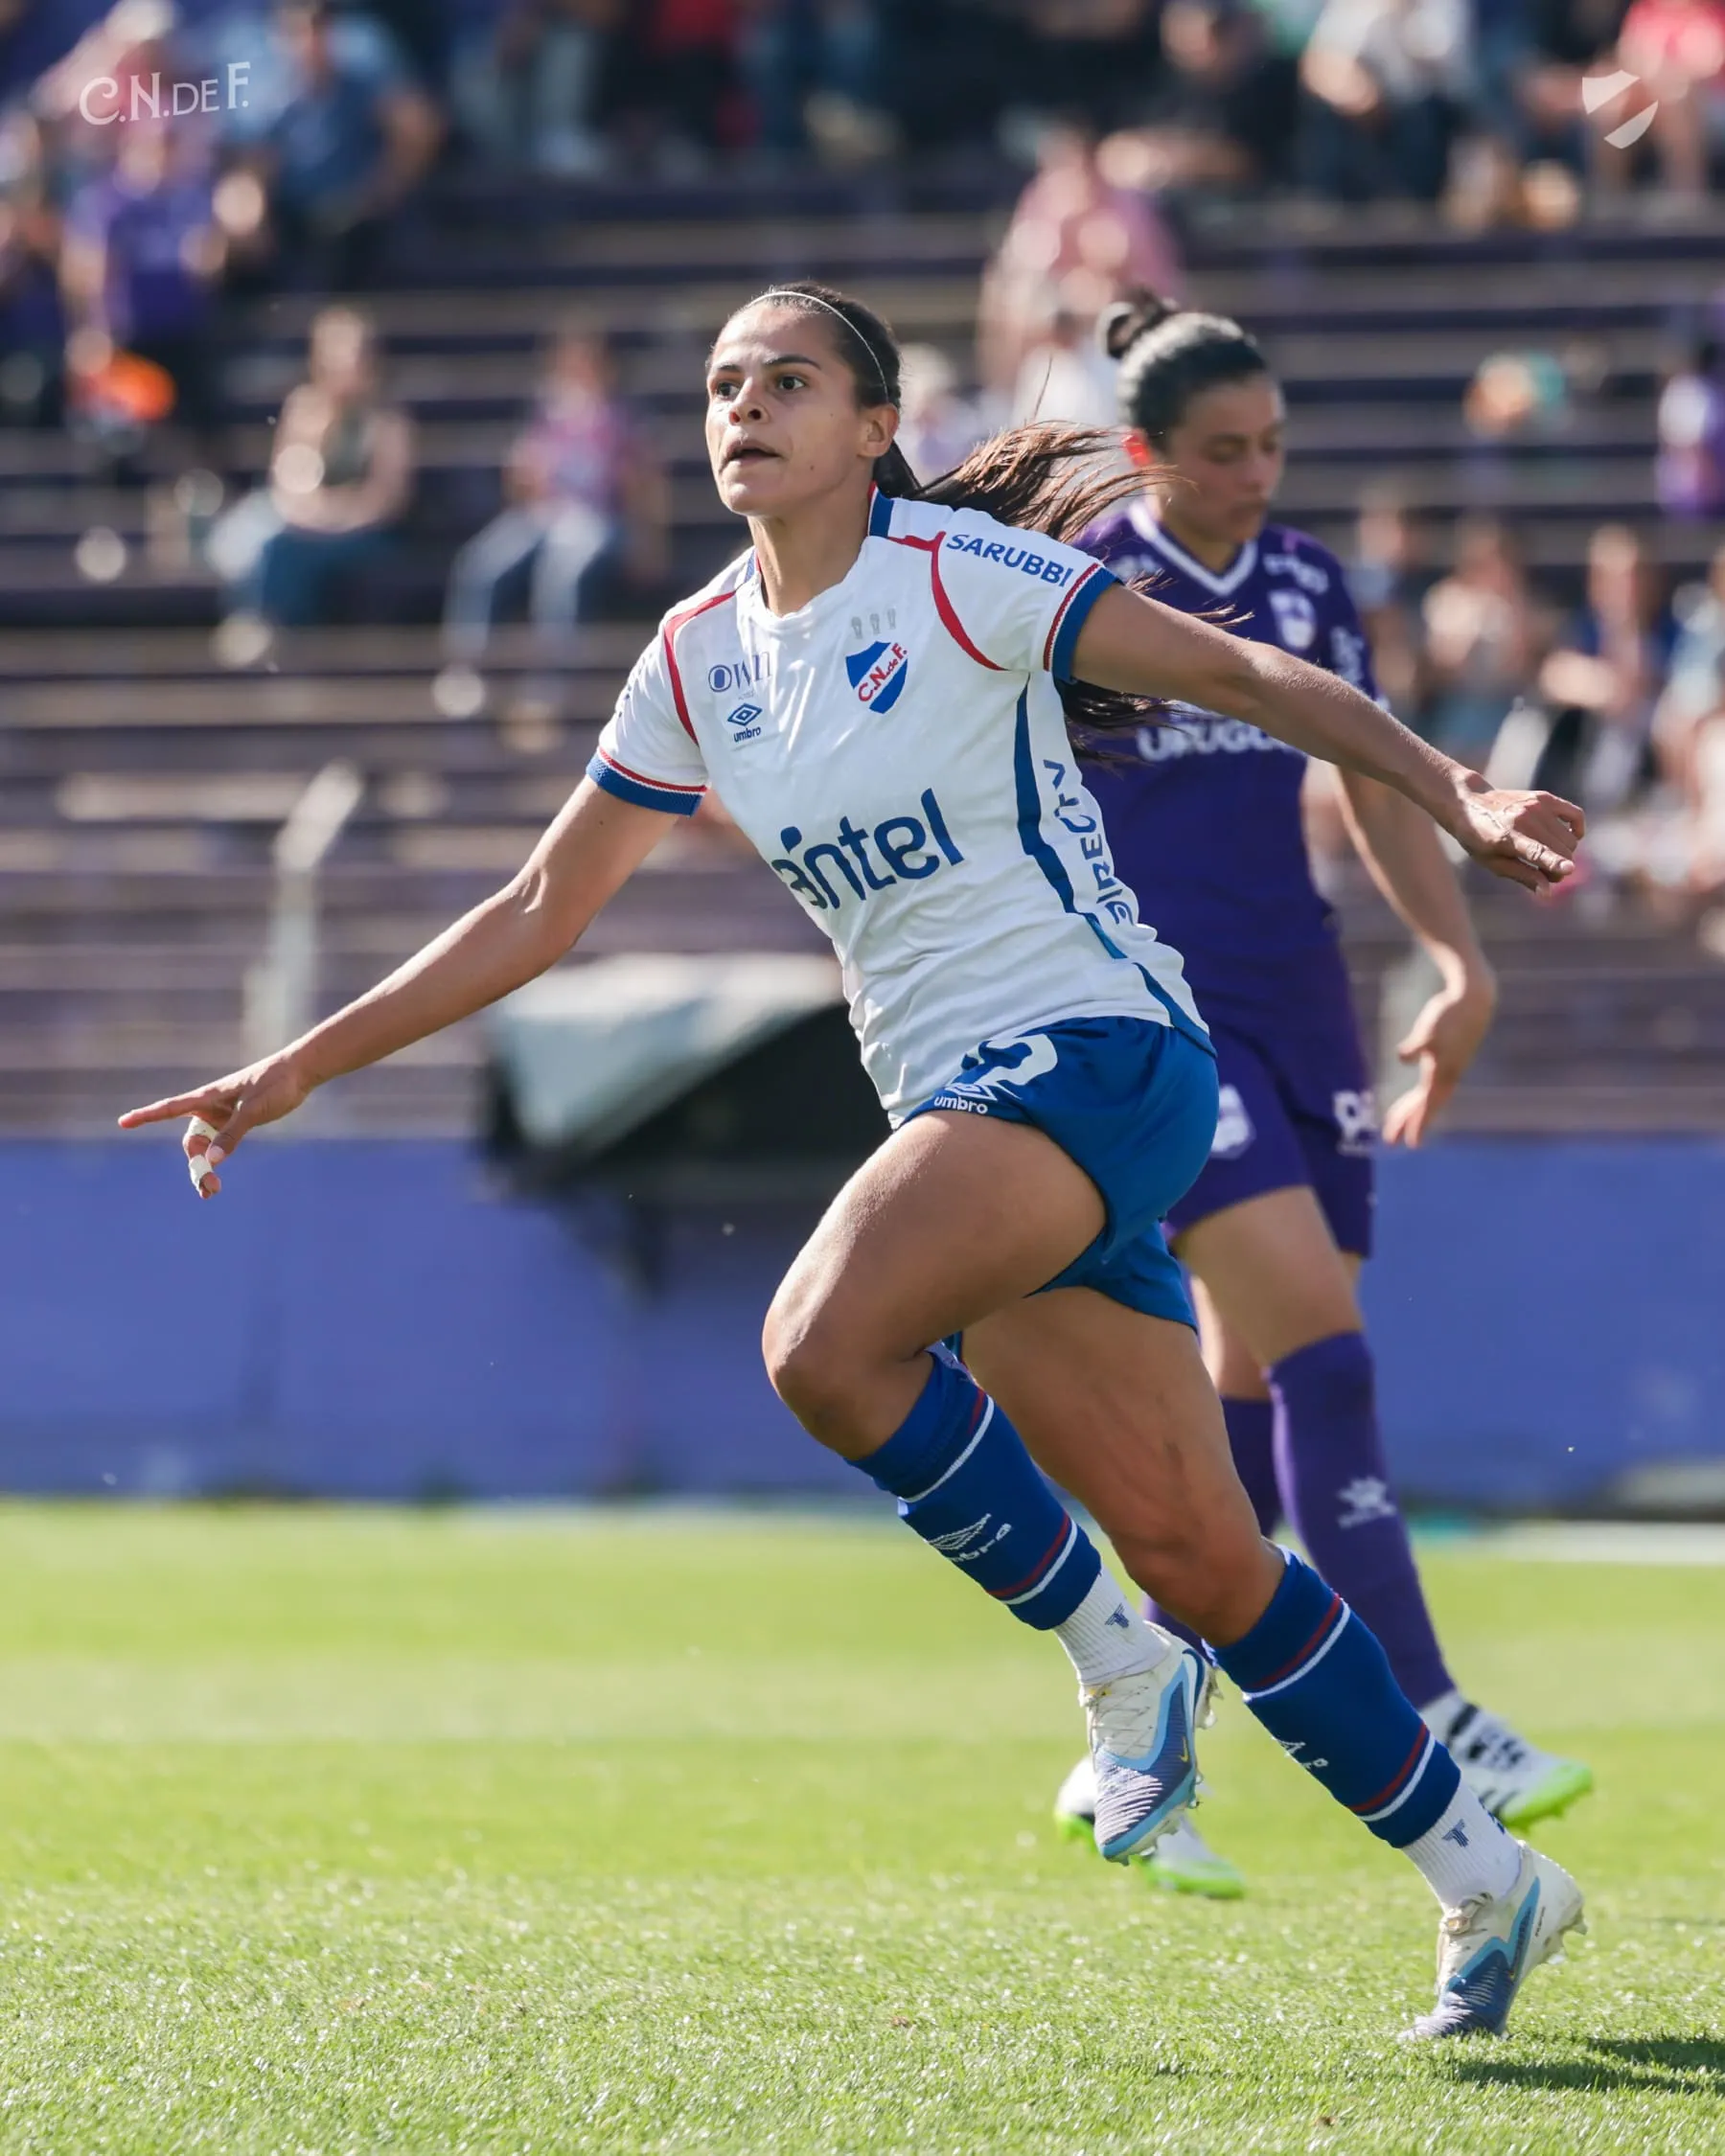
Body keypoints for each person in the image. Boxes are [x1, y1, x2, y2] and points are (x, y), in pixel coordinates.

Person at [119, 280, 1587, 2042]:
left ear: (877, 426)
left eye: (790, 381)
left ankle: (1120, 1663)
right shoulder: (697, 655)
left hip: (1101, 1051)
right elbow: (538, 906)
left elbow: (1242, 672)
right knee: (1209, 1554)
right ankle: (1489, 1878)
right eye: (724, 382)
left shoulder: (962, 577)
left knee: (821, 1343)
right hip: (964, 1106)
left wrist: (1455, 790)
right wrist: (293, 1064)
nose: (745, 406)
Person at [1042, 291, 1595, 1900]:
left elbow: (1370, 776)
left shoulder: (1304, 581)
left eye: (1273, 444)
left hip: (1302, 991)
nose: (1256, 474)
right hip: (1163, 1011)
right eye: (1223, 451)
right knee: (1326, 1357)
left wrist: (1454, 958)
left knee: (1251, 1383)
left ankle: (1141, 1725)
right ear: (1146, 452)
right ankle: (1431, 1707)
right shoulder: (1084, 588)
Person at [440, 327, 667, 689]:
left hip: (598, 519)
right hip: (542, 515)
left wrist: (648, 541)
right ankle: (467, 674)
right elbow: (520, 481)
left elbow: (644, 484)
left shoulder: (625, 417)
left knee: (562, 572)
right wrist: (523, 474)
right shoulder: (545, 412)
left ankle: (551, 684)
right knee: (482, 563)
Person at [211, 304, 413, 631]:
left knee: (291, 554)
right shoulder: (304, 407)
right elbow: (289, 480)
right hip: (309, 523)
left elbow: (386, 498)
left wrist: (337, 519)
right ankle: (257, 625)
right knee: (273, 546)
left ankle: (280, 630)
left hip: (362, 531)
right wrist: (313, 511)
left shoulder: (386, 420)